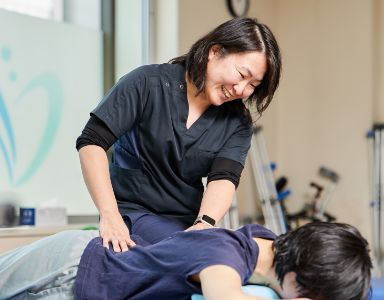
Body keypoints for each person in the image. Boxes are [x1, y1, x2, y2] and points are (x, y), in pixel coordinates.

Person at [75, 17, 282, 251]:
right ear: (214, 52)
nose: (242, 90)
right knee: (207, 256)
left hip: (187, 223)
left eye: (253, 85)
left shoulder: (237, 122)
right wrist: (109, 215)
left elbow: (223, 178)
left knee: (251, 245)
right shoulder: (146, 83)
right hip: (133, 215)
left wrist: (204, 224)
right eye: (242, 74)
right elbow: (91, 142)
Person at [0, 222, 372, 300]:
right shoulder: (223, 256)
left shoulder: (268, 243)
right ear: (299, 280)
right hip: (74, 267)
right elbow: (225, 298)